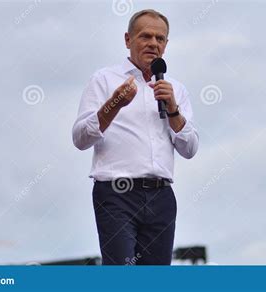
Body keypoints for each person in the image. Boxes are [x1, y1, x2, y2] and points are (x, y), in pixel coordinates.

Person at [72, 9, 199, 265]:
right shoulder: (104, 80)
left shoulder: (175, 89)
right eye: (146, 36)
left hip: (161, 196)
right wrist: (115, 104)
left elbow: (190, 148)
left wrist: (173, 108)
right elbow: (80, 139)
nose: (153, 43)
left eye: (160, 38)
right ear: (128, 39)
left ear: (166, 45)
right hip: (117, 194)